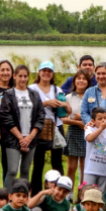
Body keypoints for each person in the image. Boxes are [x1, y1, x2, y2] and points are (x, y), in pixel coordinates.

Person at [0, 65, 45, 191]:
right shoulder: (8, 95)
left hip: (31, 139)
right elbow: (5, 117)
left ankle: (23, 199)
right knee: (12, 170)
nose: (23, 79)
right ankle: (6, 199)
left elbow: (41, 116)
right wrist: (20, 137)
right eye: (20, 76)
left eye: (25, 76)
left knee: (25, 170)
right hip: (13, 139)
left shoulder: (34, 94)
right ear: (15, 76)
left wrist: (29, 137)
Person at [29, 61, 70, 195]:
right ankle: (36, 194)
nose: (46, 73)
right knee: (38, 164)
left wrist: (62, 104)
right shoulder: (32, 88)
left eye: (49, 71)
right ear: (39, 72)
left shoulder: (57, 90)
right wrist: (46, 103)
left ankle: (60, 191)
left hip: (56, 128)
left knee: (57, 163)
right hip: (38, 128)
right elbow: (29, 108)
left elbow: (68, 110)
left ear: (52, 74)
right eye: (44, 70)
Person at [63, 70, 91, 191]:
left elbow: (96, 117)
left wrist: (83, 120)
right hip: (73, 131)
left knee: (85, 167)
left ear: (88, 82)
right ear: (74, 81)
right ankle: (68, 194)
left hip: (88, 133)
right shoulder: (68, 97)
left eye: (84, 78)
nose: (81, 80)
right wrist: (77, 122)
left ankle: (82, 195)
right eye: (78, 78)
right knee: (71, 167)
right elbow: (62, 118)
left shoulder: (92, 97)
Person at [84, 107, 106, 191]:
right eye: (100, 119)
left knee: (101, 196)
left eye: (105, 118)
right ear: (93, 121)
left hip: (104, 171)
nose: (103, 121)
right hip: (90, 170)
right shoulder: (89, 128)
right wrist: (101, 128)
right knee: (87, 193)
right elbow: (89, 138)